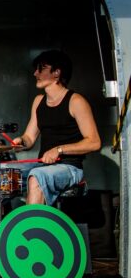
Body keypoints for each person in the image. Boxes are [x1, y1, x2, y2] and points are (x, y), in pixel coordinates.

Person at [13, 50, 101, 205]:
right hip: (43, 165)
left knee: (37, 176)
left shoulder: (76, 101)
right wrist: (21, 141)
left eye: (41, 69)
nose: (35, 73)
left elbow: (94, 142)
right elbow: (29, 138)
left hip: (70, 167)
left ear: (56, 73)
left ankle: (33, 222)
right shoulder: (38, 101)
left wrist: (59, 150)